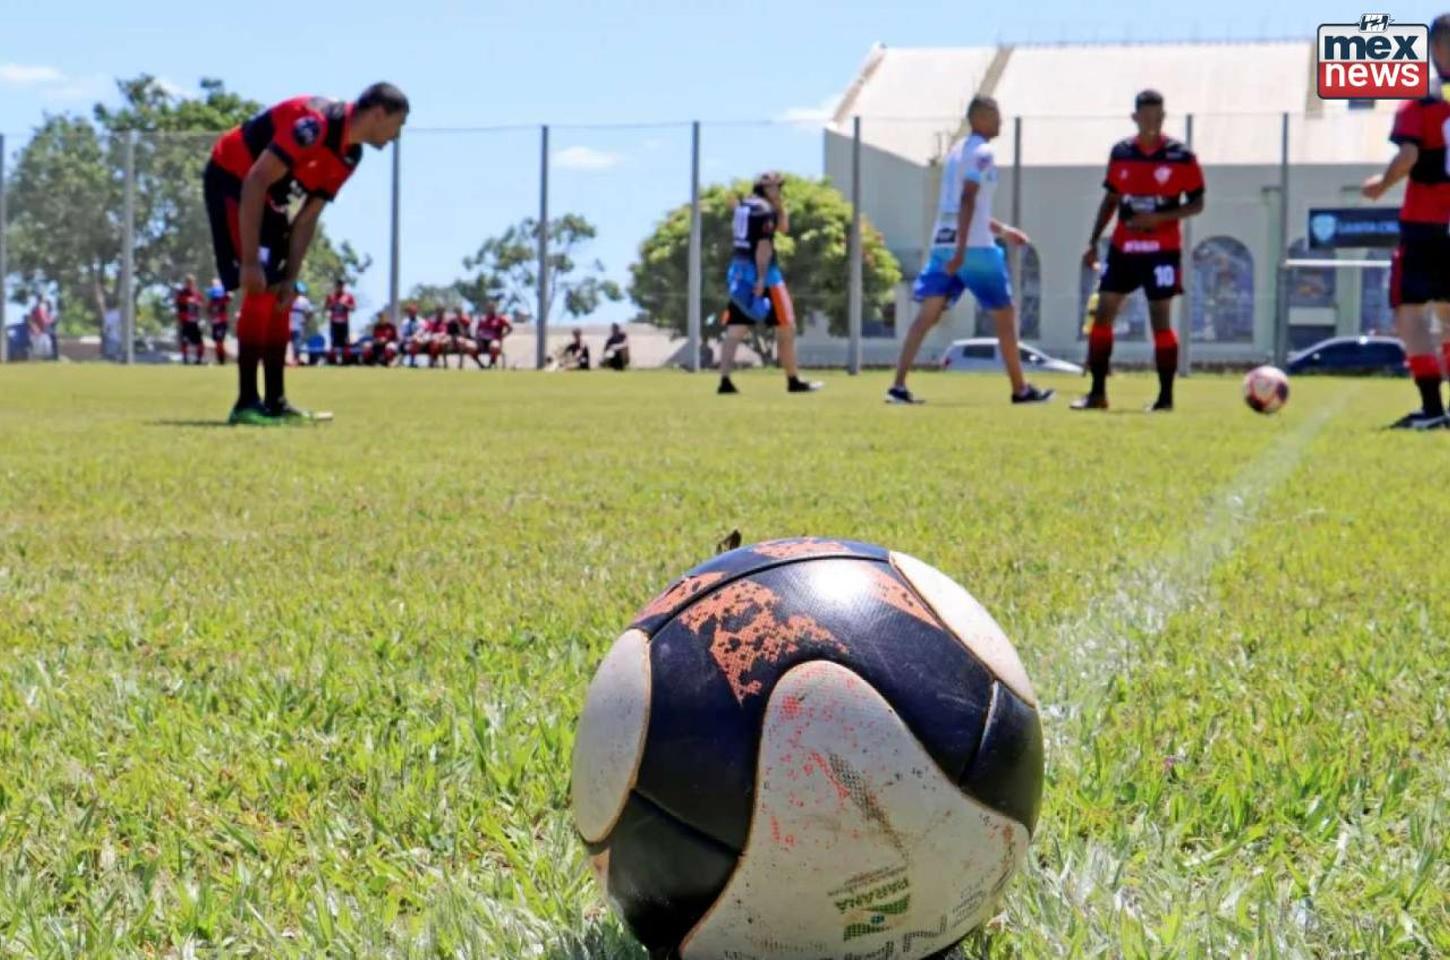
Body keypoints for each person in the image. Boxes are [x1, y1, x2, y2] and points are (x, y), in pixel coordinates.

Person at [204, 82, 409, 425]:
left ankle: (275, 401)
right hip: (234, 177)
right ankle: (245, 403)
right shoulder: (314, 124)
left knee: (282, 290)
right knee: (261, 286)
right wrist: (252, 262)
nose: (396, 136)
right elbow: (255, 180)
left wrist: (292, 275)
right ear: (378, 114)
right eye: (397, 125)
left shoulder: (349, 155)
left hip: (269, 193)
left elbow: (308, 216)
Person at [887, 96, 1052, 406]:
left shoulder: (955, 153)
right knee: (1005, 316)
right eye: (997, 115)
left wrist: (1003, 231)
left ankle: (897, 386)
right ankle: (1021, 390)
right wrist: (963, 251)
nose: (1001, 122)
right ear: (981, 117)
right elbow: (967, 200)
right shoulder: (984, 153)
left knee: (926, 317)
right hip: (973, 249)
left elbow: (966, 208)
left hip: (943, 244)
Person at [1074, 90, 1205, 412]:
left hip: (1162, 251)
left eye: (1158, 117)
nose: (1152, 123)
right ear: (1135, 117)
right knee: (1103, 313)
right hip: (1123, 248)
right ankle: (1097, 393)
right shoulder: (1121, 153)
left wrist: (1159, 218)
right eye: (1146, 117)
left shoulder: (1181, 156)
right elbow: (1111, 199)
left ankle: (1165, 398)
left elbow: (1197, 203)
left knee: (1160, 321)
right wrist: (1093, 240)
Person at [1362, 14, 1450, 430]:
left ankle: (1432, 409)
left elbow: (1410, 156)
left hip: (1428, 222)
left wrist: (1381, 184)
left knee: (1411, 312)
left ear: (1435, 48)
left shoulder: (1422, 101)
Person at [717, 172, 822, 395]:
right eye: (776, 187)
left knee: (735, 329)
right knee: (786, 327)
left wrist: (779, 205)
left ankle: (724, 381)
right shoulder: (764, 210)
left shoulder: (745, 205)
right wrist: (762, 278)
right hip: (765, 276)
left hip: (738, 272)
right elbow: (764, 246)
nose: (779, 191)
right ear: (765, 188)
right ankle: (793, 381)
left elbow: (782, 228)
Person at [174, 275, 205, 365]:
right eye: (188, 282)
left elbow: (201, 303)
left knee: (199, 342)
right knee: (184, 341)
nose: (189, 284)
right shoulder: (181, 293)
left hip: (194, 322)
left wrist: (198, 303)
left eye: (191, 282)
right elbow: (179, 302)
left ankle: (198, 360)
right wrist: (187, 300)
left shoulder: (196, 294)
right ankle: (185, 359)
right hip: (185, 321)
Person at [325, 278, 357, 366]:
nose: (340, 287)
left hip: (344, 323)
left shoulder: (348, 296)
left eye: (342, 285)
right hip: (334, 323)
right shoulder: (331, 296)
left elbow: (353, 308)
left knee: (345, 343)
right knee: (334, 342)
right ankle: (333, 360)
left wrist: (345, 305)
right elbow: (326, 307)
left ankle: (345, 361)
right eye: (338, 285)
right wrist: (333, 305)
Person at [475, 301, 512, 368]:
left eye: (492, 307)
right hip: (482, 341)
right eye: (489, 307)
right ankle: (480, 364)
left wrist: (502, 336)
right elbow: (478, 331)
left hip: (494, 340)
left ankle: (491, 363)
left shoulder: (500, 318)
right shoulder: (483, 319)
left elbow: (510, 328)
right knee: (470, 346)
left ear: (495, 308)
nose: (490, 309)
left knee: (494, 346)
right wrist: (478, 338)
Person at [206, 278, 232, 365]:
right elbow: (208, 311)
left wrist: (225, 290)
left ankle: (222, 360)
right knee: (217, 342)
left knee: (220, 342)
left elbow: (229, 296)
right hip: (215, 324)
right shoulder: (211, 302)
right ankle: (220, 359)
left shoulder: (223, 299)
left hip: (222, 323)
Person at [288, 282, 314, 367]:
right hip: (286, 326)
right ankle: (286, 360)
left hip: (298, 327)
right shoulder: (287, 299)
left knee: (296, 346)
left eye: (295, 291)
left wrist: (305, 321)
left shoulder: (303, 300)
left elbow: (310, 312)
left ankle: (296, 361)